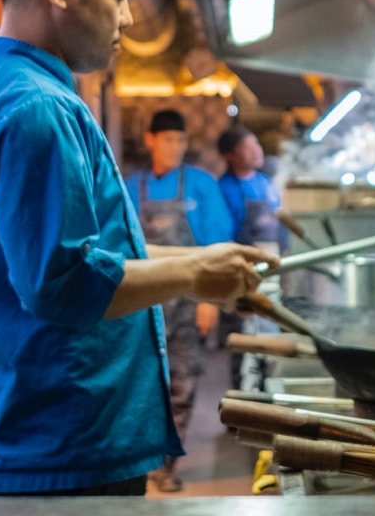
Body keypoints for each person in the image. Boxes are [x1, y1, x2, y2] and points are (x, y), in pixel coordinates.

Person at [0, 0, 275, 497]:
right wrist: (192, 276)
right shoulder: (36, 108)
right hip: (63, 444)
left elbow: (68, 253)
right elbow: (61, 282)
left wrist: (204, 263)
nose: (130, 18)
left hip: (33, 434)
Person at [123, 108, 233, 493]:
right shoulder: (130, 185)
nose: (175, 146)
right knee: (143, 384)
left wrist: (210, 300)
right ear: (151, 140)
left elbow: (217, 245)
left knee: (181, 383)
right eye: (168, 139)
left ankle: (167, 465)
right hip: (141, 303)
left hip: (187, 302)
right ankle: (144, 460)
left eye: (181, 140)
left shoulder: (201, 184)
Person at [216, 126, 289, 390]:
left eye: (256, 144)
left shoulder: (265, 183)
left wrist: (285, 257)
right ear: (230, 155)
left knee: (271, 332)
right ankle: (244, 405)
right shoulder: (223, 188)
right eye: (247, 148)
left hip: (272, 267)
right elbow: (222, 233)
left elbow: (280, 223)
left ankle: (269, 396)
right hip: (243, 269)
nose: (256, 152)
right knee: (245, 337)